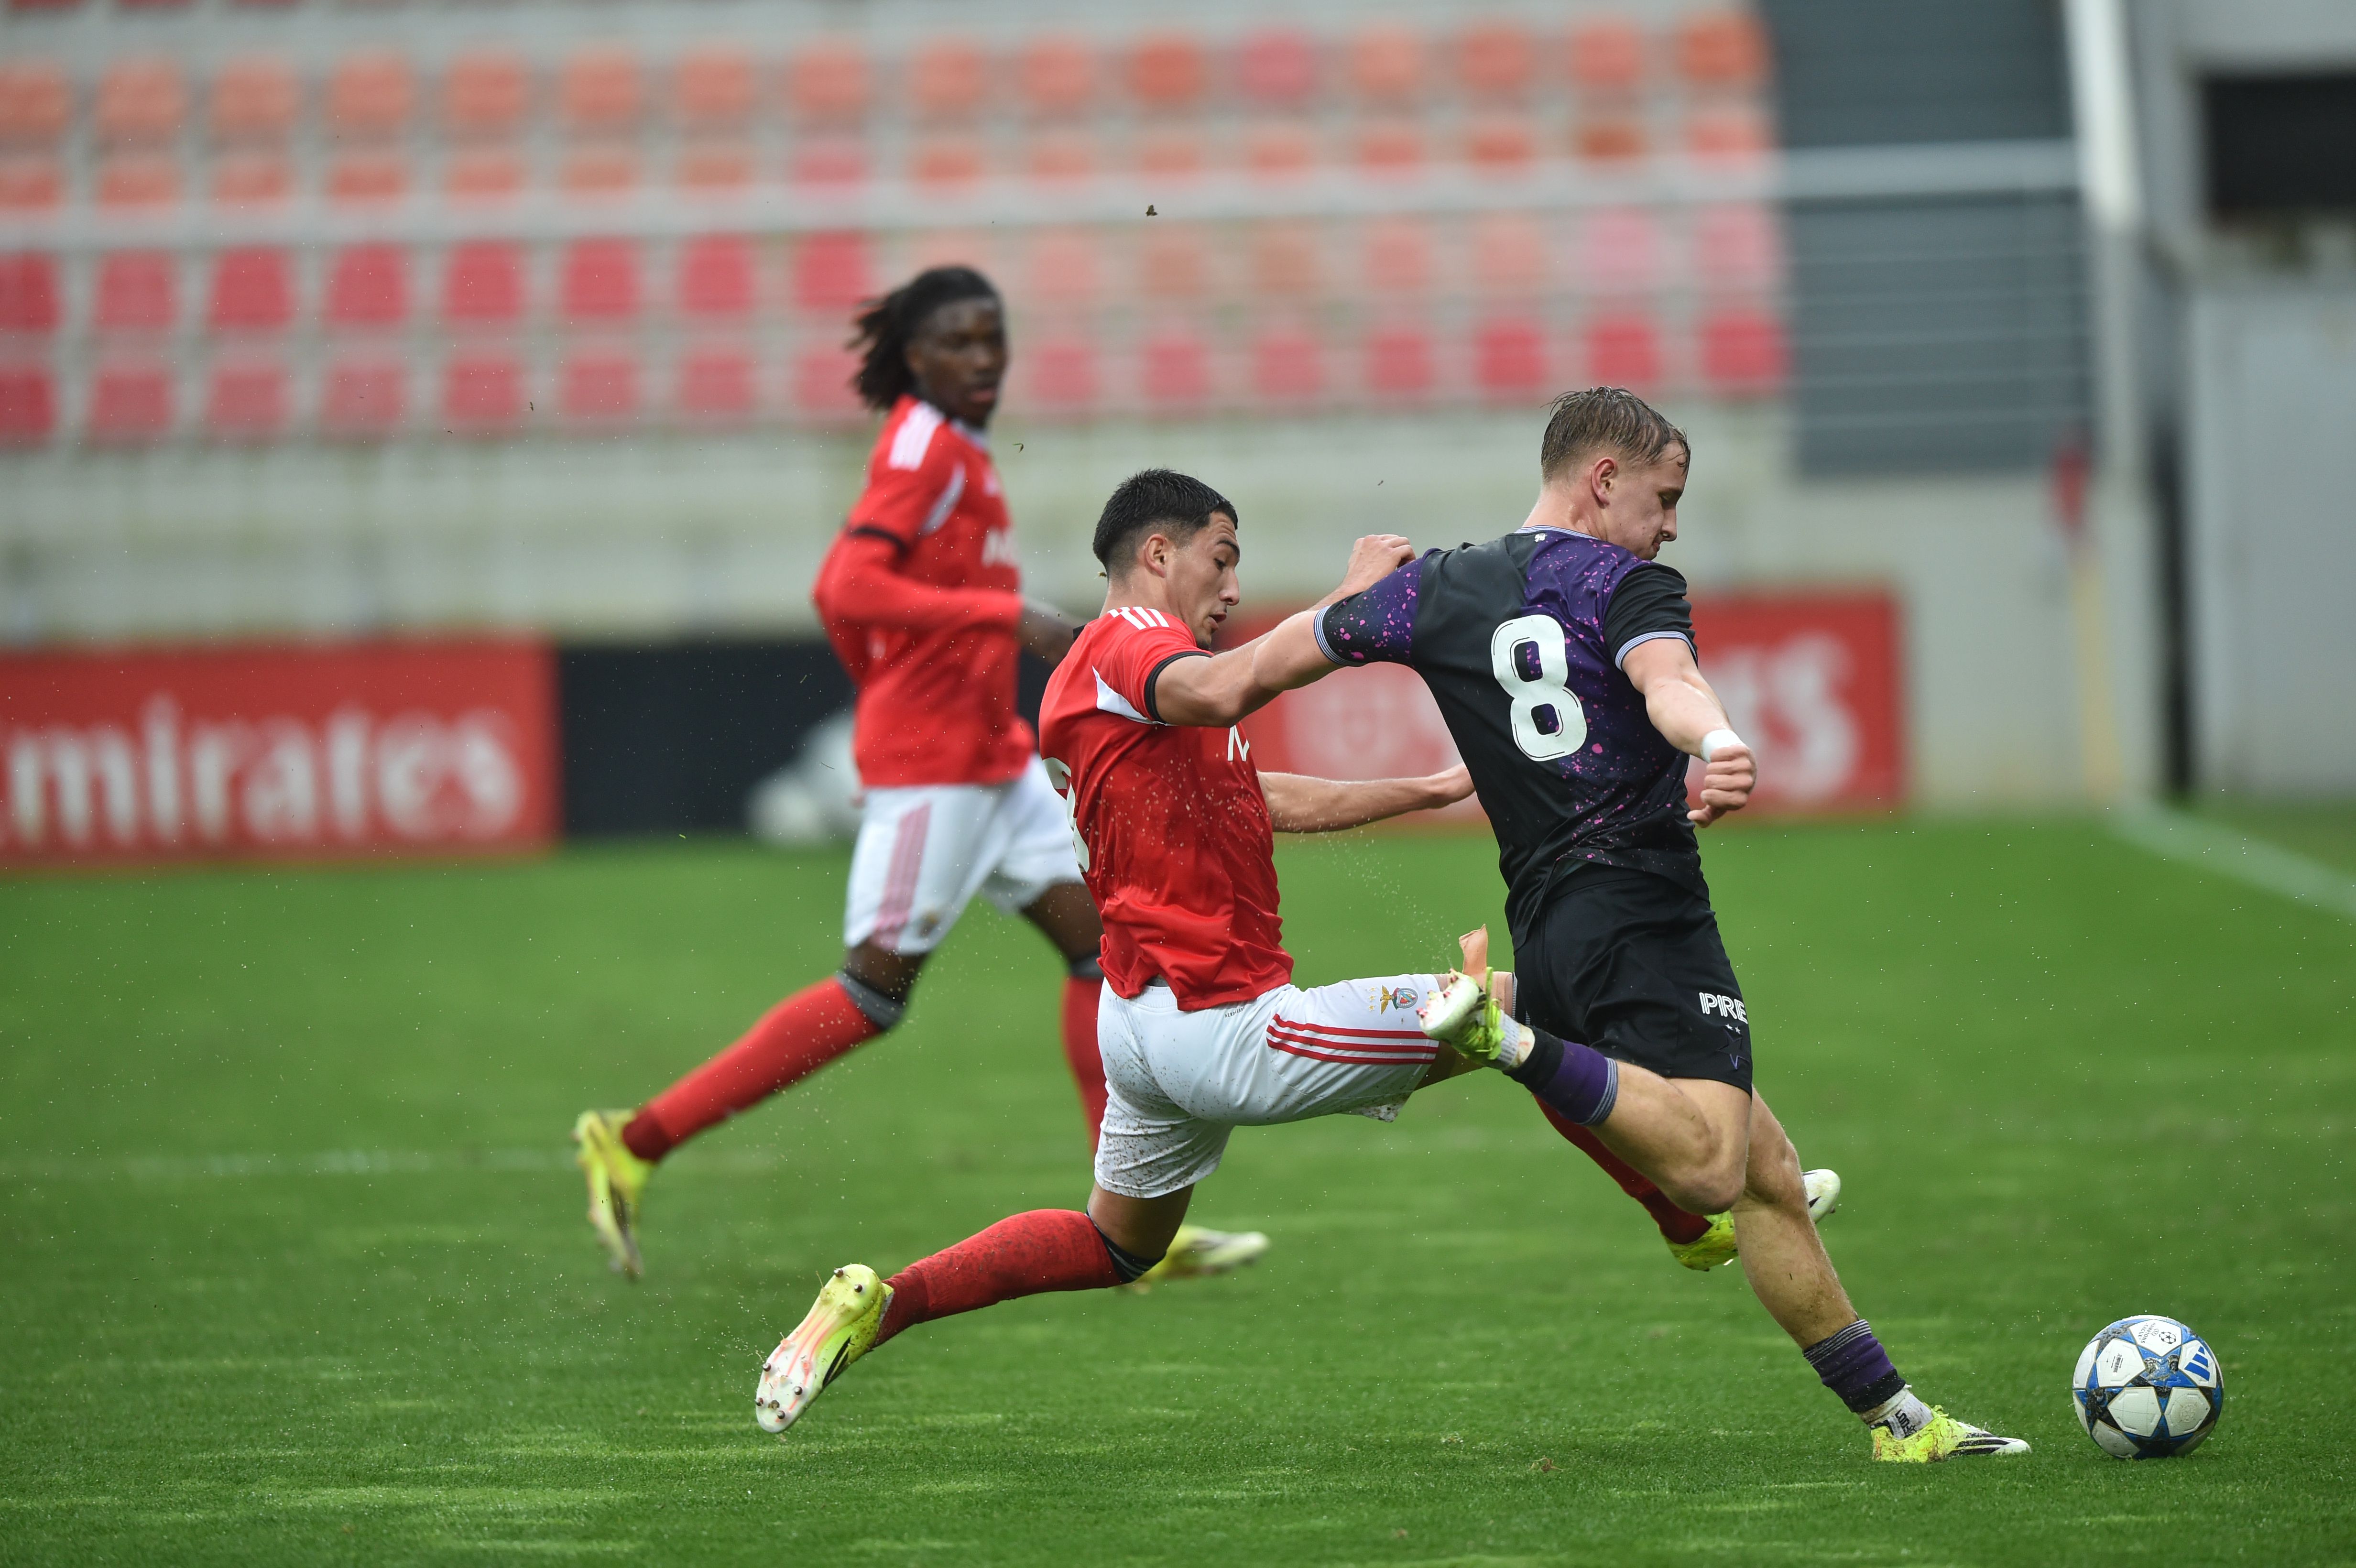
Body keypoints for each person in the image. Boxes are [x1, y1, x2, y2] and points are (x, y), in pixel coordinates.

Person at [752, 470, 1540, 1435]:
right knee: (1518, 1000)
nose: (1234, 586)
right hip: (1228, 1027)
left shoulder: (1113, 686)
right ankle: (1700, 1210)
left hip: (1143, 1024)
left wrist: (1427, 789)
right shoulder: (1133, 649)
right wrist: (1354, 600)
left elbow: (1259, 795)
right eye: (1223, 556)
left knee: (1116, 1243)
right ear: (1158, 554)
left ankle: (882, 1302)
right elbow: (1230, 685)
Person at [1324, 386, 2029, 1463]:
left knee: (1769, 1176)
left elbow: (1257, 670)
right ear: (1603, 481)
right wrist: (1715, 738)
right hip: (1646, 917)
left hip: (1550, 925)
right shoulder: (1627, 580)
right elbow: (1672, 680)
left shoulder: (1434, 586)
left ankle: (1898, 1422)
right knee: (1709, 1168)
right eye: (1664, 497)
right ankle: (1504, 1038)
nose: (1670, 525)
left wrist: (1332, 607)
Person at [571, 271, 1263, 1285]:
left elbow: (884, 599)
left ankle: (1125, 1214)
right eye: (957, 342)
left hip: (991, 759)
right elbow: (844, 584)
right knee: (871, 995)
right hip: (936, 770)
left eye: (993, 337)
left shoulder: (958, 446)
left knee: (1101, 947)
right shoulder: (921, 443)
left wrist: (924, 654)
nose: (983, 358)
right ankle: (635, 1139)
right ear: (915, 356)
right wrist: (993, 624)